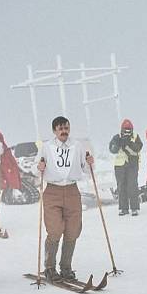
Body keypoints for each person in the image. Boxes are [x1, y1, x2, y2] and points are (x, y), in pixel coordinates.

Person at [36, 117, 94, 281]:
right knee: (54, 230)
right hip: (53, 191)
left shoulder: (77, 146)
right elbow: (36, 169)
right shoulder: (46, 147)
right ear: (54, 131)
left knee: (73, 230)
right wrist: (39, 167)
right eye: (60, 129)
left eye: (66, 128)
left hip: (72, 190)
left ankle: (66, 267)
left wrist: (90, 163)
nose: (64, 131)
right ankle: (49, 267)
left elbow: (87, 169)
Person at [109, 119, 142, 216]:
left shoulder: (135, 137)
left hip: (132, 165)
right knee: (121, 186)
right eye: (125, 130)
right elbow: (112, 149)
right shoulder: (117, 137)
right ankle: (123, 208)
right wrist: (117, 144)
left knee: (132, 186)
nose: (127, 133)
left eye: (129, 130)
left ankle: (134, 208)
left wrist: (128, 144)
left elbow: (138, 148)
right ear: (121, 130)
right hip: (120, 165)